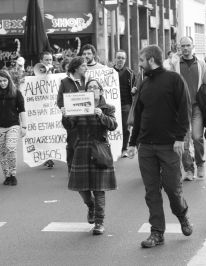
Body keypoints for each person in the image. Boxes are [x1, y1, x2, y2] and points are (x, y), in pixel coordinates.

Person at [128, 45, 192, 248]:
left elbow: (184, 109)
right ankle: (157, 232)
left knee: (173, 189)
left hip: (169, 146)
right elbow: (138, 115)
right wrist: (132, 143)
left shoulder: (174, 79)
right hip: (146, 147)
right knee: (151, 191)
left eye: (141, 59)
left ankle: (182, 215)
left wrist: (180, 138)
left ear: (151, 60)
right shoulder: (145, 83)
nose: (139, 63)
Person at [62, 79, 117, 235]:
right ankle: (90, 205)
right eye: (89, 87)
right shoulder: (78, 106)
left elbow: (113, 126)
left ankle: (99, 222)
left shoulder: (107, 108)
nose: (92, 89)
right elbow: (70, 126)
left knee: (99, 189)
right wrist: (66, 116)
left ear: (100, 91)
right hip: (82, 148)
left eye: (95, 87)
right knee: (82, 187)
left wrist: (101, 116)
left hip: (99, 149)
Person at [171, 36, 206, 180]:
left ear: (193, 46)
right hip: (181, 108)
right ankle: (189, 169)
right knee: (183, 140)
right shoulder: (175, 64)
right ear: (179, 47)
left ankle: (200, 164)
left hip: (197, 107)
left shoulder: (201, 63)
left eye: (188, 45)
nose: (185, 48)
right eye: (183, 46)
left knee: (196, 137)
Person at [0, 70, 27, 186]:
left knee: (11, 149)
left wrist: (24, 126)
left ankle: (13, 174)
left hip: (13, 126)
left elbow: (22, 110)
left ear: (9, 80)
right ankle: (7, 175)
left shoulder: (16, 93)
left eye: (5, 80)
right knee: (2, 152)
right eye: (0, 81)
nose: (2, 83)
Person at [57, 57, 87, 173]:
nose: (86, 68)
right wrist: (64, 109)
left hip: (86, 119)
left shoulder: (88, 80)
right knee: (72, 144)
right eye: (83, 66)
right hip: (71, 120)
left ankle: (84, 169)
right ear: (76, 68)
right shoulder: (65, 82)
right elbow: (60, 100)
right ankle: (71, 169)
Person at [113, 50, 136, 158]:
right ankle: (113, 148)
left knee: (125, 128)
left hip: (126, 104)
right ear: (115, 58)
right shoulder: (109, 72)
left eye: (123, 58)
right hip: (112, 105)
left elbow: (134, 88)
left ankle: (124, 149)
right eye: (118, 57)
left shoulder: (130, 73)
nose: (120, 60)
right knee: (112, 127)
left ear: (125, 60)